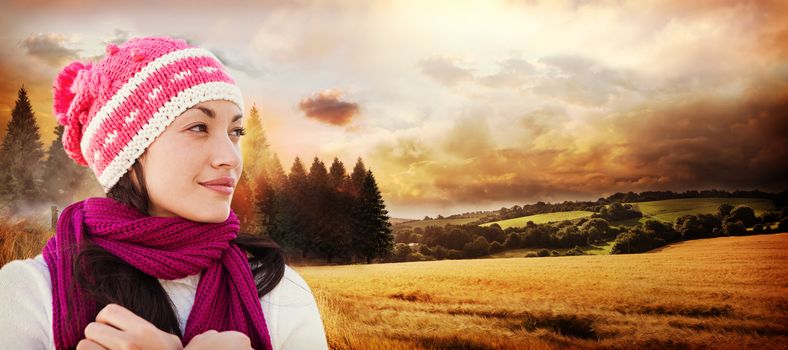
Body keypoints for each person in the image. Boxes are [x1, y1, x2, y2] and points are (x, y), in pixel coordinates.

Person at [0, 36, 329, 350]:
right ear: (127, 155)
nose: (231, 157)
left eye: (235, 132)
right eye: (198, 127)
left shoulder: (279, 292)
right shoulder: (30, 293)